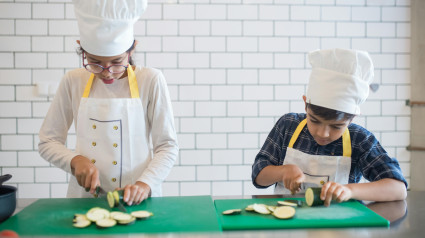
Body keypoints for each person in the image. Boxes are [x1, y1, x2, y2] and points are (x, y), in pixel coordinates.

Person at [38, 0, 178, 206]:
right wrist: (75, 161)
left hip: (139, 200)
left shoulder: (151, 80)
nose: (106, 72)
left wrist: (144, 184)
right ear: (81, 49)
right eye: (94, 62)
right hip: (85, 200)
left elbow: (167, 146)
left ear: (132, 50)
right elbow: (47, 142)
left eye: (116, 62)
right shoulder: (73, 81)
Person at [252, 48, 407, 207]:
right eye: (314, 120)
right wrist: (283, 171)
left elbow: (398, 188)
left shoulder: (359, 139)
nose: (323, 133)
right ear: (306, 104)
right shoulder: (288, 125)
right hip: (288, 224)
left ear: (352, 118)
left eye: (336, 126)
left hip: (339, 228)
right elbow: (258, 177)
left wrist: (350, 191)